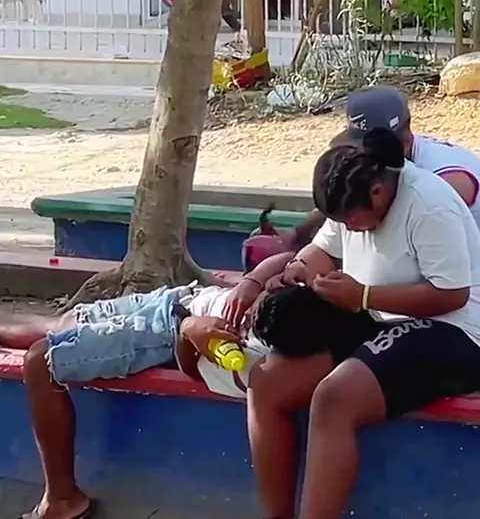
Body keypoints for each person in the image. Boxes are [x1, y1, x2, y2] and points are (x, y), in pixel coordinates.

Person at [247, 127, 480, 519]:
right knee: (268, 382)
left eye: (351, 220)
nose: (349, 227)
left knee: (335, 398)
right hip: (378, 315)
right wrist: (296, 270)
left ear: (378, 191)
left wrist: (364, 296)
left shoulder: (429, 205)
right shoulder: (350, 196)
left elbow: (452, 294)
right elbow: (323, 249)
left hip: (456, 329)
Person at [6, 252, 292, 519]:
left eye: (248, 323)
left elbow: (192, 368)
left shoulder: (251, 360)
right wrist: (253, 283)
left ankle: (62, 499)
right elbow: (287, 256)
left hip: (162, 334)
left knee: (41, 360)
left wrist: (189, 330)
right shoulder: (303, 281)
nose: (246, 314)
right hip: (179, 298)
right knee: (64, 322)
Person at [290, 84, 480, 245]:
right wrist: (296, 235)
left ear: (403, 141)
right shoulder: (397, 164)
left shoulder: (445, 181)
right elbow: (346, 200)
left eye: (370, 151)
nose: (362, 159)